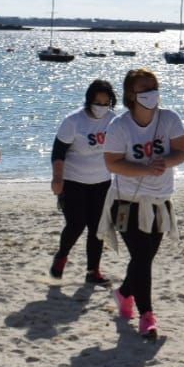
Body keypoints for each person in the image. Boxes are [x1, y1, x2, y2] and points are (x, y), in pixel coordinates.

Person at [101, 68, 184, 337]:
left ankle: (124, 293)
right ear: (131, 94)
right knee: (141, 258)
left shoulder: (170, 119)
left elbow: (181, 151)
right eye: (144, 89)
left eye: (154, 87)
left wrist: (166, 162)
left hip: (160, 202)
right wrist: (144, 169)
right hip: (127, 202)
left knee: (145, 258)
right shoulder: (119, 126)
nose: (151, 93)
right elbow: (112, 163)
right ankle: (146, 315)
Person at [51, 79, 116, 284]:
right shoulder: (73, 121)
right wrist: (57, 178)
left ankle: (93, 271)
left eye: (106, 103)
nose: (101, 107)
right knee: (76, 224)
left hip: (102, 182)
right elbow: (58, 152)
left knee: (98, 228)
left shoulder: (114, 121)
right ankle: (61, 256)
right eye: (98, 102)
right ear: (89, 100)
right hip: (73, 181)